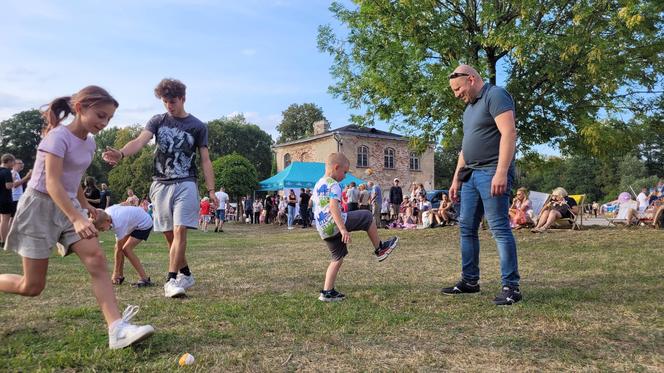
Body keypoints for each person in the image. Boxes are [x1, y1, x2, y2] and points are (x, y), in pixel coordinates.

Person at [0, 86, 154, 349]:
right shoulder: (57, 137)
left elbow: (74, 180)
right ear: (80, 108)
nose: (104, 123)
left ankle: (116, 329)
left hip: (69, 205)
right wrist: (77, 217)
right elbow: (52, 183)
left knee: (96, 258)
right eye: (100, 115)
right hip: (39, 207)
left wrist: (87, 208)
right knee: (32, 286)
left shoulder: (90, 142)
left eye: (109, 119)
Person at [103, 78, 218, 299]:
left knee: (179, 230)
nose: (169, 106)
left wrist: (211, 190)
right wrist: (121, 153)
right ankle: (186, 273)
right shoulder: (157, 121)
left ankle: (171, 280)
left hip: (186, 181)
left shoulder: (198, 126)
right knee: (169, 237)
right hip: (160, 184)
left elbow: (205, 160)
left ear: (183, 98)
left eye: (172, 101)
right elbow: (140, 140)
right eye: (165, 102)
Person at [441, 65, 522, 306]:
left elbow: (509, 133)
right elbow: (466, 148)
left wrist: (501, 172)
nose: (456, 95)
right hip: (470, 174)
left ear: (472, 79)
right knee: (466, 227)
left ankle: (511, 287)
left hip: (491, 172)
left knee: (498, 228)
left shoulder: (495, 95)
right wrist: (456, 178)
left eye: (458, 89)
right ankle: (470, 281)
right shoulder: (469, 110)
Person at [313, 153, 399, 302]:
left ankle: (327, 292)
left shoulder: (319, 183)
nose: (345, 176)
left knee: (337, 257)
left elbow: (315, 204)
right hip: (335, 223)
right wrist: (343, 229)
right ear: (336, 167)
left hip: (323, 228)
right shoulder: (334, 184)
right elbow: (333, 207)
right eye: (345, 172)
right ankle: (380, 249)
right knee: (366, 216)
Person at [93, 205, 154, 288]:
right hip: (134, 222)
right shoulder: (107, 212)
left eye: (101, 228)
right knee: (119, 248)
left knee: (126, 249)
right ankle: (120, 276)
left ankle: (144, 279)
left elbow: (119, 249)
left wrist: (115, 272)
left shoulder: (118, 223)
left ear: (107, 221)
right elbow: (121, 204)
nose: (101, 231)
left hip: (144, 223)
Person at [0, 154, 16, 244]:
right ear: (8, 161)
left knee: (2, 220)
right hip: (5, 199)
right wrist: (13, 180)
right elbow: (8, 186)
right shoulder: (6, 172)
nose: (13, 164)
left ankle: (2, 239)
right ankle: (4, 241)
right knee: (5, 221)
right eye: (13, 162)